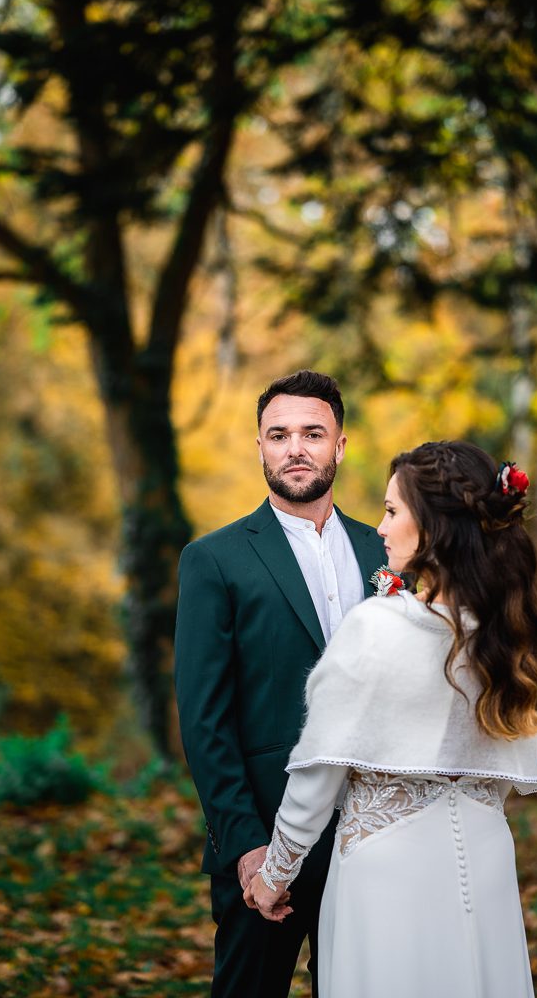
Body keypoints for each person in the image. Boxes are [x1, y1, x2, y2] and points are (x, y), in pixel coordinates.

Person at [245, 440, 537, 998]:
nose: (381, 527)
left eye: (393, 511)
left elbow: (318, 776)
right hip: (487, 858)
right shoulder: (511, 638)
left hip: (386, 870)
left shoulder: (376, 627)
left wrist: (276, 874)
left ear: (436, 529)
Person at [174, 370, 387, 998]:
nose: (295, 448)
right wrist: (245, 842)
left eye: (312, 433)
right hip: (268, 839)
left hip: (374, 835)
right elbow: (204, 718)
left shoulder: (387, 553)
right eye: (279, 435)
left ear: (341, 446)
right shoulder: (215, 560)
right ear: (260, 447)